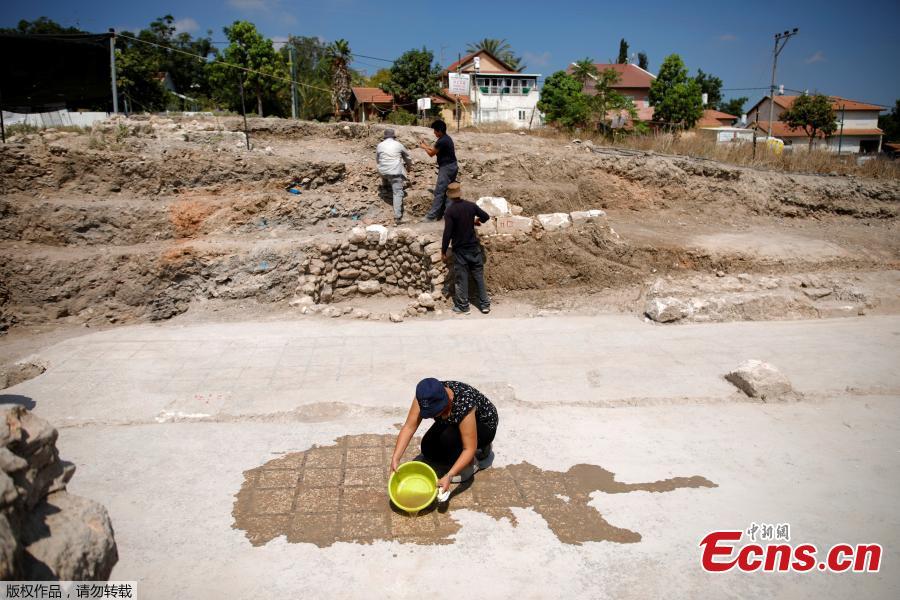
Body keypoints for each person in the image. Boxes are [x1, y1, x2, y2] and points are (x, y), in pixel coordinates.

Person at [391, 378, 498, 494]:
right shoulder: (425, 396)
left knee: (449, 440)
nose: (432, 417)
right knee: (428, 448)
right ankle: (463, 446)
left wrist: (449, 475)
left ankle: (473, 462)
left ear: (449, 399)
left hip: (484, 425)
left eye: (436, 412)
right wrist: (395, 458)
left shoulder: (464, 403)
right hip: (455, 421)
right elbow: (409, 427)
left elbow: (469, 448)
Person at [441, 182, 491, 314]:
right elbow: (486, 217)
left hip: (460, 250)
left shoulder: (450, 211)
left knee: (461, 278)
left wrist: (443, 250)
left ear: (450, 196)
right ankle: (485, 305)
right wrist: (476, 221)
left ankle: (463, 306)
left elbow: (447, 233)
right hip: (474, 248)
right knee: (479, 277)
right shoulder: (470, 206)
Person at [418, 119, 458, 221]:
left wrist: (423, 147)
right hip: (453, 166)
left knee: (439, 192)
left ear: (439, 130)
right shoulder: (446, 138)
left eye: (435, 131)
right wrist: (426, 146)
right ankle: (447, 216)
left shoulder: (442, 141)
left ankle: (431, 216)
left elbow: (431, 154)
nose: (434, 133)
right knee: (449, 191)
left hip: (446, 168)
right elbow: (434, 149)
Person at [376, 128, 413, 225]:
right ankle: (397, 217)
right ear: (393, 136)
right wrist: (409, 167)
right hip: (395, 173)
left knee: (385, 170)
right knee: (397, 193)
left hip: (382, 171)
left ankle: (385, 187)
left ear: (385, 137)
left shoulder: (379, 145)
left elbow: (378, 160)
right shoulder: (398, 145)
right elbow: (408, 158)